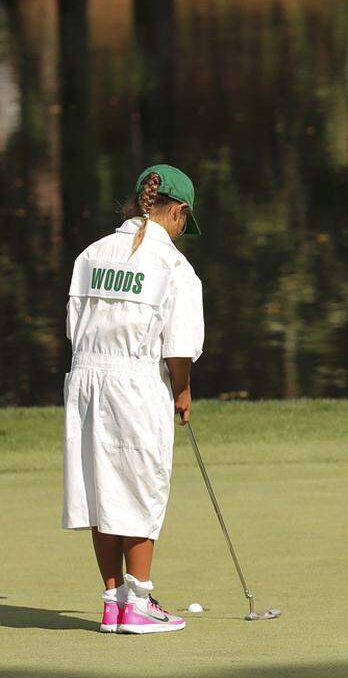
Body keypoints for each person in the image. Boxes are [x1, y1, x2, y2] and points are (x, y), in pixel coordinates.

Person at [62, 164, 205, 632]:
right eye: (186, 221)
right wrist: (181, 390)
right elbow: (178, 347)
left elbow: (73, 325)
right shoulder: (174, 267)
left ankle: (112, 602)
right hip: (135, 383)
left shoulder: (91, 254)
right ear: (179, 212)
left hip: (86, 381)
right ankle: (139, 603)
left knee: (102, 490)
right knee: (142, 487)